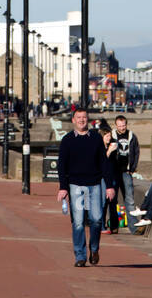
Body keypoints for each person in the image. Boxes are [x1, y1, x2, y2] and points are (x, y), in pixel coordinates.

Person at [57, 106, 116, 267]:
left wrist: (109, 186)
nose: (82, 120)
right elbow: (61, 165)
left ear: (87, 120)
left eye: (84, 117)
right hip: (75, 185)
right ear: (73, 120)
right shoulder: (68, 140)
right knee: (78, 222)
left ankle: (94, 248)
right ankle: (80, 256)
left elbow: (104, 163)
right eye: (79, 117)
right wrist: (63, 188)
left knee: (96, 220)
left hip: (95, 185)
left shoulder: (96, 138)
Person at [112, 114, 140, 228]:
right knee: (112, 199)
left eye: (123, 125)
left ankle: (133, 226)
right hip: (114, 171)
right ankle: (114, 225)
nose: (122, 128)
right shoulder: (112, 135)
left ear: (126, 124)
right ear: (116, 125)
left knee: (129, 199)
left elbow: (136, 152)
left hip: (126, 172)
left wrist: (132, 169)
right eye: (119, 126)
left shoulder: (132, 136)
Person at [98, 120, 120, 233]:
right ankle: (101, 226)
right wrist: (109, 151)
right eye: (107, 136)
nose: (109, 137)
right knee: (102, 202)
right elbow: (101, 162)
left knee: (112, 201)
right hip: (102, 178)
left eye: (110, 135)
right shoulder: (100, 148)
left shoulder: (111, 146)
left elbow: (113, 163)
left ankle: (113, 225)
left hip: (112, 177)